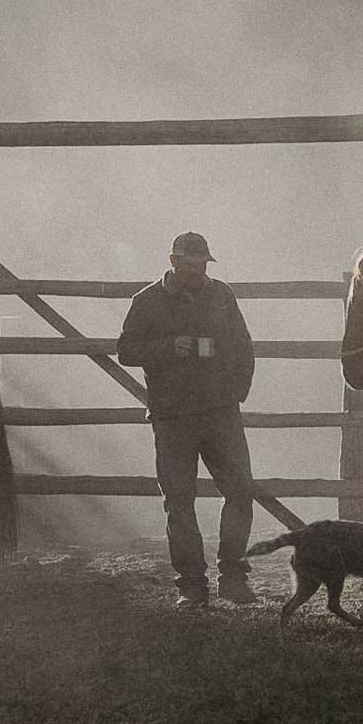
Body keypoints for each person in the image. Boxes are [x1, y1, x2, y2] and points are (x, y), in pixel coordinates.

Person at [118, 232, 259, 609]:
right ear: (173, 262)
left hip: (220, 412)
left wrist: (236, 392)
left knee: (242, 491)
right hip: (173, 417)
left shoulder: (221, 295)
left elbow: (244, 347)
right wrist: (167, 348)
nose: (198, 273)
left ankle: (232, 576)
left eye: (201, 266)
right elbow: (126, 350)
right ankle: (191, 586)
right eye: (191, 266)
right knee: (179, 503)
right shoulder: (146, 301)